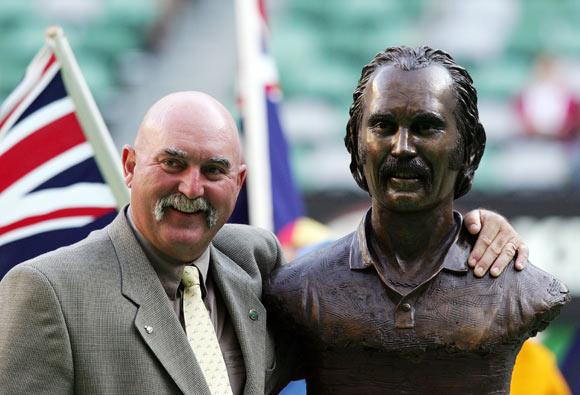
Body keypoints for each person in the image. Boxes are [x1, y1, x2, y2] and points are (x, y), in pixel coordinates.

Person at [0, 90, 526, 395]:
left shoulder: (254, 262)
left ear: (240, 182)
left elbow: (375, 291)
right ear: (131, 166)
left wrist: (465, 230)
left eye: (214, 170)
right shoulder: (46, 292)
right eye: (173, 163)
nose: (191, 188)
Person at [266, 46, 569, 394]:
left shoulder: (525, 291)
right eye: (384, 126)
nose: (402, 147)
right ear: (355, 144)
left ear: (470, 149)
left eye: (426, 127)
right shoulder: (299, 290)